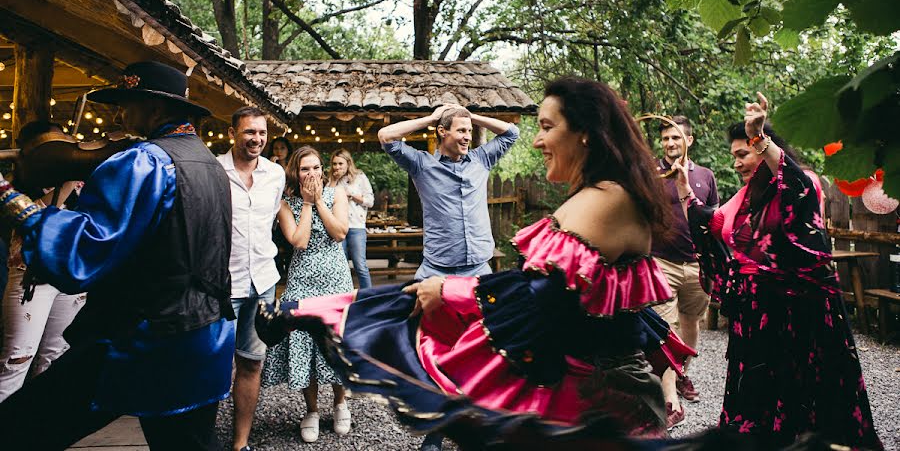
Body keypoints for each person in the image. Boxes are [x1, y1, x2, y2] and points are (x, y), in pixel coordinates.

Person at [257, 77, 694, 449]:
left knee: (439, 338)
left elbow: (533, 297)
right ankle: (321, 319)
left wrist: (448, 290)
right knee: (431, 340)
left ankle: (318, 317)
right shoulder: (599, 194)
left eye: (546, 127)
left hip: (604, 398)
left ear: (585, 132)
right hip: (583, 383)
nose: (538, 139)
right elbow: (574, 299)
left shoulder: (605, 200)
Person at [0, 61, 235, 449]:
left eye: (128, 103)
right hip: (203, 336)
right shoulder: (211, 164)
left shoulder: (145, 161)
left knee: (21, 430)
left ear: (156, 109)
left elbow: (85, 249)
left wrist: (20, 207)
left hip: (140, 338)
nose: (120, 113)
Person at [673, 93, 882, 449]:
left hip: (798, 313)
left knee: (804, 398)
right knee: (758, 402)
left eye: (743, 154)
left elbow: (797, 187)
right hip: (756, 318)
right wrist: (683, 193)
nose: (737, 163)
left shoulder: (801, 181)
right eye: (734, 156)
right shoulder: (745, 197)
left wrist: (760, 138)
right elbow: (711, 225)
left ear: (763, 148)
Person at [261, 146, 353, 443]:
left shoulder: (337, 193)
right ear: (295, 173)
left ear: (322, 170)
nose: (311, 173)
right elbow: (298, 241)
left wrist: (320, 202)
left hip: (335, 279)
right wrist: (308, 205)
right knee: (303, 343)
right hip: (301, 280)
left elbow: (339, 233)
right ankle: (311, 409)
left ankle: (340, 403)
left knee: (334, 342)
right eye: (304, 169)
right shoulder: (285, 203)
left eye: (315, 167)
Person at [378, 105, 519, 281]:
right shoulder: (421, 165)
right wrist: (431, 119)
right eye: (461, 130)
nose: (467, 136)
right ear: (442, 131)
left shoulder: (482, 159)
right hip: (436, 271)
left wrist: (471, 116)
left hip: (479, 269)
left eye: (469, 130)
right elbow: (385, 136)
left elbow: (512, 132)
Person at [0, 121, 86, 402]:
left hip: (70, 273)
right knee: (17, 357)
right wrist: (69, 181)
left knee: (54, 356)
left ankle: (33, 427)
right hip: (32, 275)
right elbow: (31, 220)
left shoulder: (79, 174)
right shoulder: (24, 178)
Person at [218, 106, 286, 451]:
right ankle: (201, 439)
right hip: (222, 285)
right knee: (211, 366)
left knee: (251, 362)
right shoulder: (214, 170)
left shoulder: (276, 174)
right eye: (249, 132)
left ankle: (239, 443)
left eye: (261, 133)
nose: (256, 139)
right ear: (233, 132)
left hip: (263, 280)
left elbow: (272, 221)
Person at [651, 116, 718, 430]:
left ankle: (679, 375)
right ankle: (671, 403)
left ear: (689, 141)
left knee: (692, 323)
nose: (669, 144)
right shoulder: (650, 172)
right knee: (666, 327)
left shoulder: (705, 175)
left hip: (697, 263)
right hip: (661, 261)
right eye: (665, 139)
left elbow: (713, 220)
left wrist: (714, 261)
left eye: (675, 138)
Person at [328, 149, 374, 288]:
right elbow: (325, 200)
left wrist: (352, 195)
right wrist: (334, 181)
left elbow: (370, 201)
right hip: (338, 226)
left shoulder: (360, 177)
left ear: (348, 163)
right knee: (340, 265)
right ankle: (342, 294)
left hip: (356, 226)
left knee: (360, 265)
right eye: (334, 164)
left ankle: (369, 296)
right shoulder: (330, 179)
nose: (337, 167)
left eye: (340, 163)